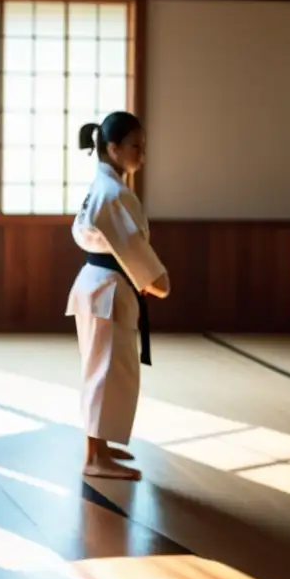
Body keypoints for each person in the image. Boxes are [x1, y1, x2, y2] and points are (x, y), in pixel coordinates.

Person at [66, 112, 170, 481]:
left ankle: (102, 446)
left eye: (143, 146)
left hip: (104, 284)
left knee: (109, 371)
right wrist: (157, 280)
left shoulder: (107, 187)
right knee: (104, 371)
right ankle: (94, 456)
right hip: (107, 287)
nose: (142, 154)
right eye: (135, 146)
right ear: (112, 148)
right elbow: (130, 245)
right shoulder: (112, 193)